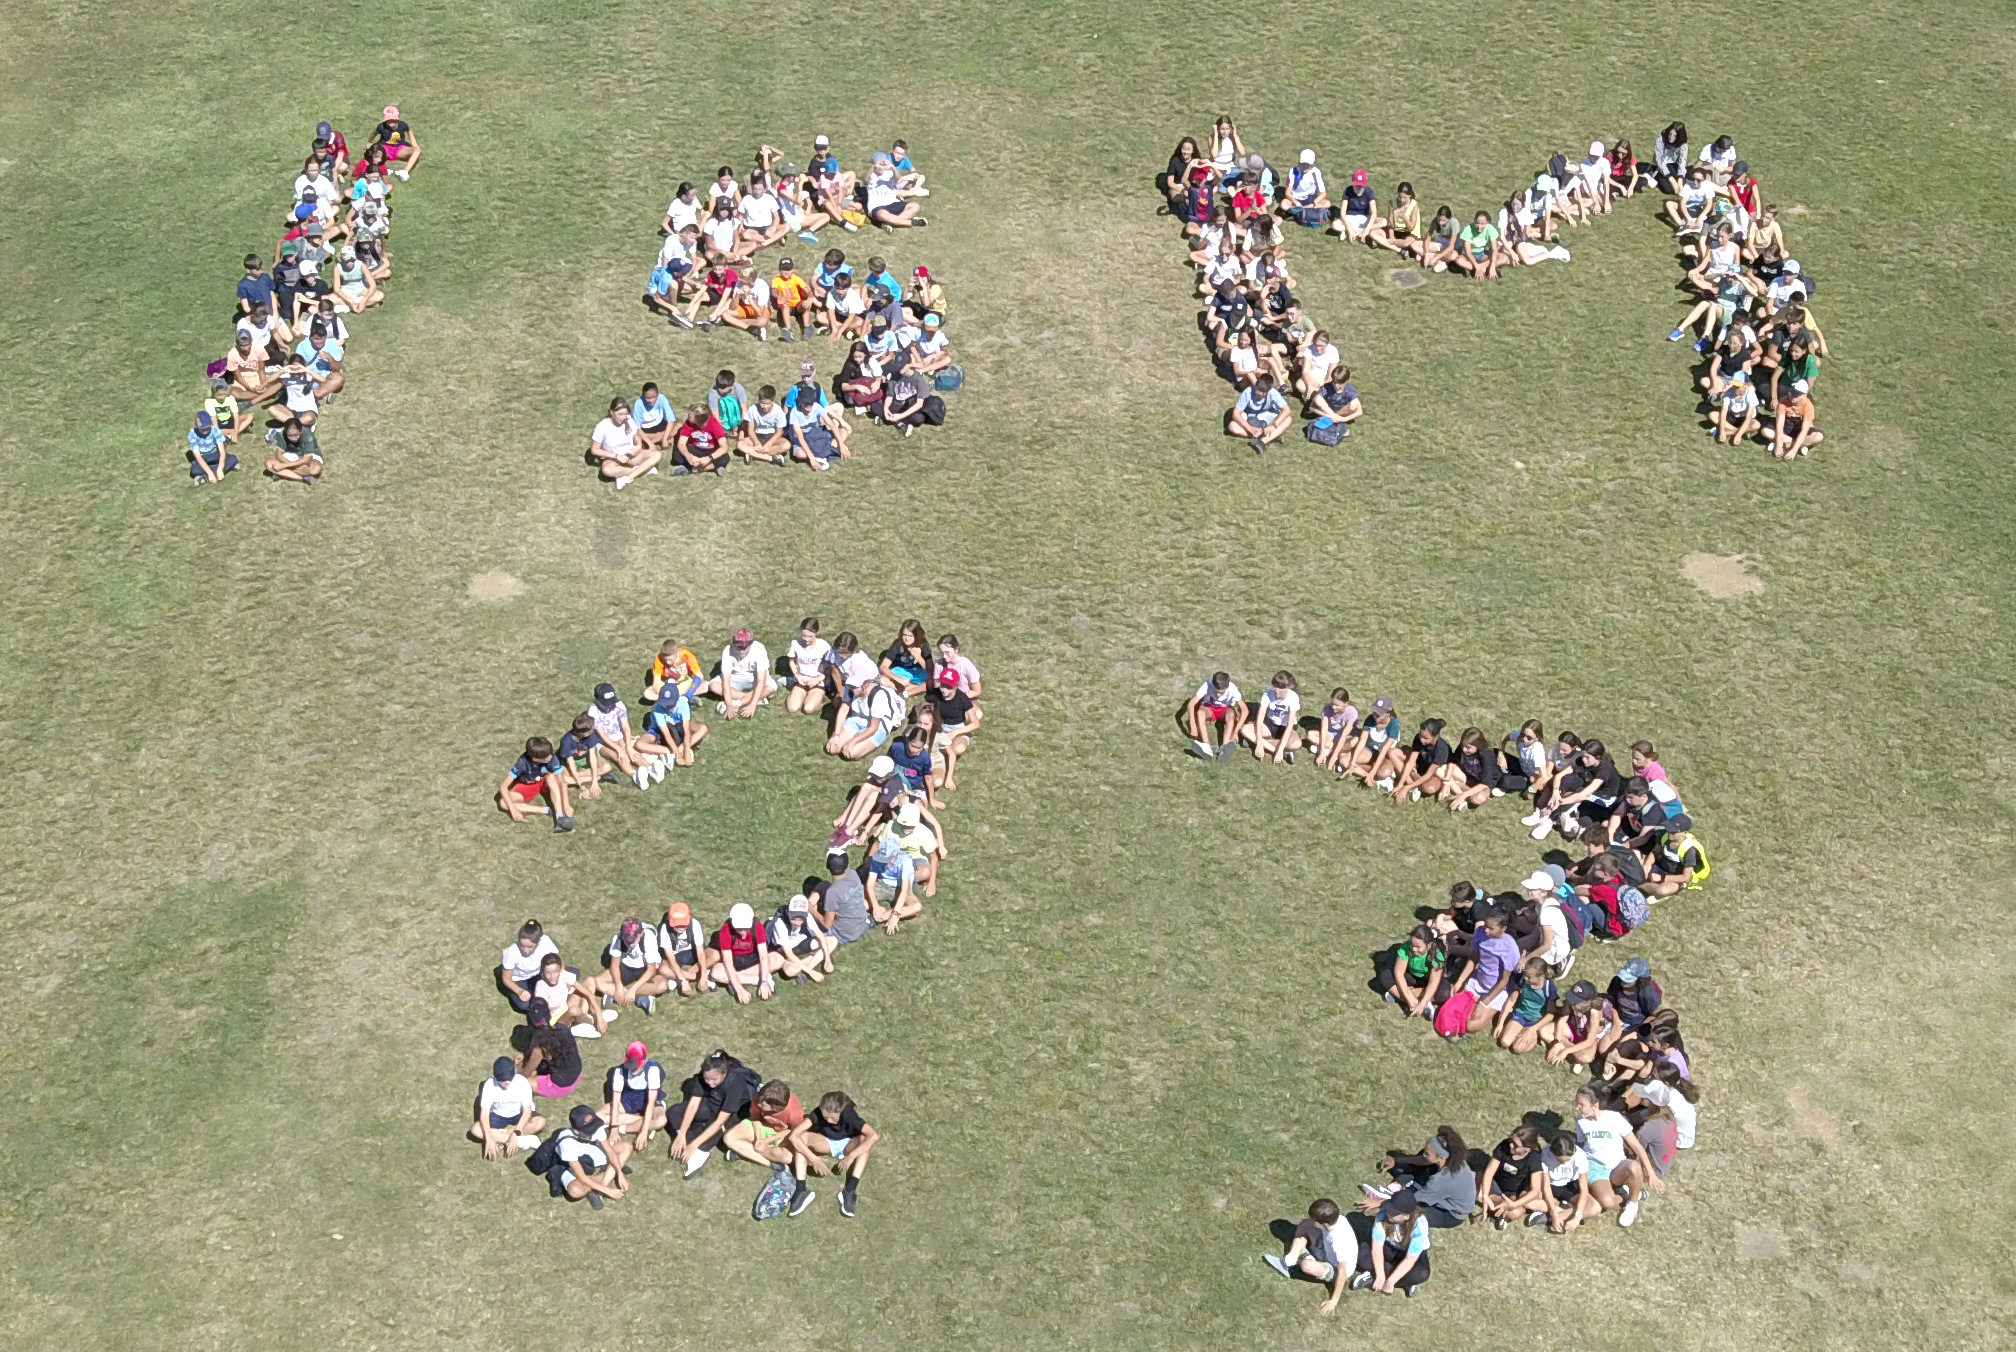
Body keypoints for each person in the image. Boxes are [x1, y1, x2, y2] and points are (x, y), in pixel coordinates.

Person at [1574, 1084, 1664, 1225]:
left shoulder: (1614, 1118)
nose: (1577, 1108)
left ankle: (1632, 1204)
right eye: (1577, 1104)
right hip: (1595, 1167)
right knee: (1608, 1203)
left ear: (1595, 1105)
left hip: (1617, 1165)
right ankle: (1630, 1193)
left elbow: (1637, 1147)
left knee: (1634, 1166)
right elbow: (1581, 1144)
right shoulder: (1580, 1121)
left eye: (1581, 1104)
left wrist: (1651, 1174)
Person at [669, 1048, 763, 1175]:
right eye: (706, 1078)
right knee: (673, 1112)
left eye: (714, 1079)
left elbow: (720, 1121)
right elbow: (693, 1105)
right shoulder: (704, 1076)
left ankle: (701, 1151)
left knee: (720, 1128)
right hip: (710, 1105)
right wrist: (681, 1133)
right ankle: (688, 1138)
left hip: (731, 1114)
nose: (710, 1083)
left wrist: (694, 1145)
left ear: (724, 1074)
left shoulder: (736, 1083)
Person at [1360, 1127, 1475, 1228]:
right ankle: (1397, 1186)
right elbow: (1424, 1160)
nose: (1424, 1155)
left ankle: (1391, 1194)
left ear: (1439, 1157)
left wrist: (1380, 1203)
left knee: (1408, 1215)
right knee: (1419, 1168)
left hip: (1449, 1214)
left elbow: (1413, 1200)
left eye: (1427, 1153)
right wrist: (1396, 1161)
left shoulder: (1441, 1180)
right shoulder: (1454, 1161)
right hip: (1440, 1190)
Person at [1263, 1197, 1353, 1313]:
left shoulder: (1339, 1243)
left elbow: (1342, 1275)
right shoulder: (1336, 1220)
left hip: (1335, 1268)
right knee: (1306, 1224)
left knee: (1306, 1265)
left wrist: (1333, 1301)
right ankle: (1290, 1259)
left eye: (1314, 1219)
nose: (1311, 1219)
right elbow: (1310, 1224)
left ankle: (1292, 1268)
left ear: (1323, 1223)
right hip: (1326, 1251)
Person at [804, 1090, 878, 1217]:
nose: (828, 1120)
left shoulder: (848, 1114)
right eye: (825, 1116)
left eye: (833, 1118)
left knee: (865, 1142)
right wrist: (813, 1158)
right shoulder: (817, 1114)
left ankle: (849, 1191)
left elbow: (874, 1136)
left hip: (848, 1144)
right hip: (827, 1142)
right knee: (804, 1136)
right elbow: (796, 1134)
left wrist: (850, 1157)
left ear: (841, 1112)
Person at [550, 1105, 630, 1210]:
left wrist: (619, 1173)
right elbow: (582, 1177)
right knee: (575, 1191)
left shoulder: (596, 1126)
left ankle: (601, 1186)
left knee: (627, 1147)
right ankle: (608, 1174)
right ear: (577, 1131)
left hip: (590, 1155)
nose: (594, 1130)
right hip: (569, 1165)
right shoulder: (566, 1143)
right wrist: (608, 1191)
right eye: (589, 1129)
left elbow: (610, 1151)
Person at [469, 1053, 544, 1162]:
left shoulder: (522, 1082)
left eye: (509, 1079)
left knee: (540, 1122)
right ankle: (522, 1142)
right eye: (502, 1081)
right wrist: (489, 1139)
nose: (506, 1083)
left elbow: (526, 1111)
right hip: (497, 1116)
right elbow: (484, 1114)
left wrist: (516, 1133)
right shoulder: (489, 1085)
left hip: (518, 1114)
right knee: (476, 1129)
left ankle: (501, 1138)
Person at [1349, 1199, 1431, 1297]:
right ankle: (1405, 1281)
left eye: (1393, 1213)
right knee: (1356, 1254)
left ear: (1406, 1216)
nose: (1388, 1213)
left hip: (1407, 1253)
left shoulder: (1419, 1224)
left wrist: (1391, 1281)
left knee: (1422, 1273)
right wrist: (1380, 1275)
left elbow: (1410, 1258)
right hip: (1388, 1247)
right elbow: (1377, 1247)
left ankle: (1373, 1277)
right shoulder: (1383, 1215)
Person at [496, 736, 574, 831]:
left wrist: (566, 805)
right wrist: (513, 810)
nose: (550, 757)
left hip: (545, 780)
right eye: (546, 757)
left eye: (550, 754)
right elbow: (503, 786)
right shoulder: (522, 763)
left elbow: (562, 782)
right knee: (503, 803)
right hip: (528, 785)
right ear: (535, 758)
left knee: (551, 777)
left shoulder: (552, 757)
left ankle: (560, 817)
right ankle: (545, 810)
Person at [1476, 1124, 1544, 1229]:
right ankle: (1496, 1206)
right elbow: (1489, 1171)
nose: (1511, 1145)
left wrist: (1513, 1205)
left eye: (1516, 1145)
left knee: (1517, 1212)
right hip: (1497, 1185)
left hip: (1515, 1193)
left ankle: (1495, 1206)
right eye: (1511, 1141)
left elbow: (1535, 1190)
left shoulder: (1534, 1158)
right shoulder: (1505, 1146)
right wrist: (1485, 1195)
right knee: (1478, 1193)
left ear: (1527, 1148)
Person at [1544, 979, 1619, 1070]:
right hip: (1574, 1027)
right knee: (1544, 1031)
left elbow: (1590, 1040)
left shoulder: (1595, 1012)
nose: (1572, 1002)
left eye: (1576, 1001)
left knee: (1586, 1058)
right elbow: (1561, 1021)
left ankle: (1567, 1051)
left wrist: (1566, 1050)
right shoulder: (1571, 1001)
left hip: (1588, 1036)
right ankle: (1566, 1050)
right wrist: (1557, 1042)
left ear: (1587, 1002)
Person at [516, 999, 585, 1098]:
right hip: (577, 1072)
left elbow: (526, 1073)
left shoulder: (539, 1047)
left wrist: (518, 1070)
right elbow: (574, 1011)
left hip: (562, 1086)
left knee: (520, 1082)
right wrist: (589, 1019)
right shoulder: (561, 1027)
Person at [710, 902, 775, 1003]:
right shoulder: (725, 931)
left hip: (753, 958)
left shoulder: (757, 926)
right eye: (739, 929)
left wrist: (764, 982)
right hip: (735, 960)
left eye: (746, 929)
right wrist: (739, 989)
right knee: (716, 972)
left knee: (777, 958)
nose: (743, 933)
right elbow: (728, 963)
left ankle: (732, 979)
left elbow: (763, 956)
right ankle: (754, 980)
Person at [589, 397, 660, 488]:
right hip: (613, 458)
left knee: (657, 455)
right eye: (620, 414)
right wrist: (616, 456)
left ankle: (628, 477)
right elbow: (594, 449)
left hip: (631, 454)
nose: (623, 417)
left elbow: (636, 435)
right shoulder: (602, 426)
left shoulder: (629, 420)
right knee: (607, 470)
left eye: (625, 414)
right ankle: (644, 470)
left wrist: (638, 445)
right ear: (611, 413)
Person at [809, 851, 875, 948]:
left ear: (828, 866)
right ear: (847, 865)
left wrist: (812, 910)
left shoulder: (832, 892)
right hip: (862, 925)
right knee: (825, 886)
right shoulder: (853, 874)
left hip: (845, 934)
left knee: (811, 930)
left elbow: (827, 925)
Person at [1379, 924, 1445, 1020]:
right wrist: (1410, 999)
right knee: (1384, 974)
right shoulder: (1405, 948)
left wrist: (1422, 1004)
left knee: (1444, 993)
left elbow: (1433, 983)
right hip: (1409, 976)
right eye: (1412, 945)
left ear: (1429, 945)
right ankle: (1416, 1000)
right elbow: (1399, 973)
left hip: (1426, 980)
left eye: (1418, 947)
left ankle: (1396, 994)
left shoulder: (1437, 955)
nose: (1414, 949)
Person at [1494, 956, 1558, 1053]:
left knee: (1517, 1048)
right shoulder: (1523, 980)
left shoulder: (1549, 988)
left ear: (1540, 976)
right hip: (1520, 1015)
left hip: (1535, 1021)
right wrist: (1500, 1023)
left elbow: (1550, 1015)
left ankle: (1534, 1035)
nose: (1525, 978)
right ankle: (1519, 1029)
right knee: (1505, 1042)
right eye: (1525, 975)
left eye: (1529, 977)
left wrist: (1533, 1029)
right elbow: (1511, 1000)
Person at [705, 627, 773, 717]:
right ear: (733, 642)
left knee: (770, 688)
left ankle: (737, 702)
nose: (741, 652)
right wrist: (728, 704)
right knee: (714, 686)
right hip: (735, 676)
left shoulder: (759, 648)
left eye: (745, 648)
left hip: (754, 676)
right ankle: (759, 699)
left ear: (751, 643)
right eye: (738, 648)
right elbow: (726, 680)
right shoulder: (727, 651)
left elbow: (761, 680)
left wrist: (752, 705)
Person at [1239, 670, 1303, 763]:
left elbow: (1290, 725)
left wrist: (1280, 749)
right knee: (1245, 729)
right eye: (1275, 688)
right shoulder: (1267, 694)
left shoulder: (1293, 698)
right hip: (1269, 724)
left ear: (1288, 688)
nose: (1276, 692)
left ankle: (1255, 742)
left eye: (1280, 690)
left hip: (1284, 727)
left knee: (1297, 743)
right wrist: (1260, 742)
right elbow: (1259, 719)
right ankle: (1280, 751)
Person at [498, 919, 558, 1013]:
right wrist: (520, 991)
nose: (525, 950)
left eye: (530, 947)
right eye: (522, 945)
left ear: (538, 943)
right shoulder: (511, 952)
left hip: (537, 974)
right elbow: (506, 978)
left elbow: (557, 958)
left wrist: (561, 974)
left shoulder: (545, 941)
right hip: (518, 979)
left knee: (572, 974)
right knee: (525, 1004)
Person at [1185, 670, 1248, 761]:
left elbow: (1245, 710)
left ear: (1227, 686)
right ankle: (1206, 748)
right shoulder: (1207, 685)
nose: (1218, 694)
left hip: (1225, 709)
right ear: (1213, 684)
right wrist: (1193, 725)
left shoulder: (1233, 688)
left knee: (1231, 714)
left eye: (1221, 692)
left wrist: (1235, 732)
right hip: (1210, 708)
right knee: (1200, 712)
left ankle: (1225, 747)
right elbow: (1191, 704)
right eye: (1216, 691)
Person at [1391, 718, 1453, 804]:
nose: (1421, 740)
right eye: (1421, 735)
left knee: (1430, 788)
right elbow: (1410, 763)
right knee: (1392, 752)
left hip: (1433, 774)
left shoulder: (1442, 749)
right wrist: (1400, 784)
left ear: (1435, 737)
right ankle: (1412, 783)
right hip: (1419, 766)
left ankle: (1412, 784)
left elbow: (1429, 774)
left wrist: (1406, 788)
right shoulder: (1418, 739)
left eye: (1426, 738)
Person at [1645, 814, 1709, 896]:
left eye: (1673, 831)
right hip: (1660, 867)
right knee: (1639, 864)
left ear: (1684, 832)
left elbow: (1685, 877)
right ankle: (1648, 886)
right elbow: (1655, 852)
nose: (1669, 832)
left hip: (1675, 876)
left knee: (1662, 890)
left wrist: (1662, 878)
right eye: (1669, 828)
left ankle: (1642, 886)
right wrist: (1647, 864)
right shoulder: (1665, 836)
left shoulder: (1689, 850)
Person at [1229, 373, 1292, 454]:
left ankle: (1262, 441)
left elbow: (1287, 410)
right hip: (1252, 422)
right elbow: (1236, 414)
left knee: (1288, 419)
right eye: (1258, 389)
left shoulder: (1273, 393)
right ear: (1255, 385)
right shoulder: (1247, 392)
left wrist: (1273, 425)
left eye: (1263, 392)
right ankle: (1272, 435)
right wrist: (1251, 429)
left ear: (1269, 390)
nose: (1260, 394)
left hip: (1269, 421)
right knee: (1232, 426)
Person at [671, 402, 731, 476]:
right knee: (678, 452)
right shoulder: (688, 424)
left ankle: (695, 469)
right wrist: (689, 456)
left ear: (698, 419)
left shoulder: (714, 424)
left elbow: (724, 447)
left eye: (690, 416)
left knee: (725, 457)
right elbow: (681, 443)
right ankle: (713, 467)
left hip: (709, 451)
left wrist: (709, 458)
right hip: (694, 449)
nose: (688, 417)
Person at [262, 414, 324, 485]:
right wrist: (293, 465)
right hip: (291, 455)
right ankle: (302, 478)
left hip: (309, 456)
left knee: (316, 469)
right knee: (268, 464)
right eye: (290, 436)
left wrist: (284, 466)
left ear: (300, 430)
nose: (293, 438)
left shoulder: (308, 435)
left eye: (296, 435)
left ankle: (283, 473)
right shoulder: (282, 434)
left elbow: (307, 459)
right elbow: (278, 454)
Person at [365, 105, 421, 179]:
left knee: (417, 150)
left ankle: (405, 172)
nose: (391, 122)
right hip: (384, 150)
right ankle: (384, 170)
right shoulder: (381, 127)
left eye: (393, 120)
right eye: (389, 120)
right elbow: (374, 133)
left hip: (399, 149)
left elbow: (409, 131)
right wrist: (369, 141)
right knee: (370, 151)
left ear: (397, 119)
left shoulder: (403, 125)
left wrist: (415, 145)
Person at [186, 410, 238, 485]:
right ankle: (208, 474)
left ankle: (207, 475)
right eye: (203, 428)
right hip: (204, 458)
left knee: (232, 459)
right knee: (195, 468)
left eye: (207, 428)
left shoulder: (215, 430)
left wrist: (220, 468)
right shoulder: (193, 434)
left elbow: (222, 452)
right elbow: (198, 457)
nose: (206, 431)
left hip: (216, 456)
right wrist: (209, 472)